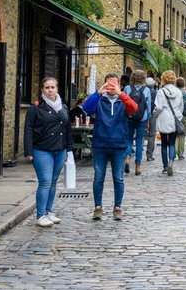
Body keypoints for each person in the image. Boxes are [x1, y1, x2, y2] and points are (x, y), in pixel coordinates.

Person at [83, 73, 137, 221]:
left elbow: (134, 109)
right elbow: (87, 109)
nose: (111, 88)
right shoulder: (99, 100)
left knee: (118, 178)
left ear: (119, 84)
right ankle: (98, 207)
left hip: (118, 145)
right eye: (108, 84)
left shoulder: (123, 101)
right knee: (98, 178)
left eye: (114, 84)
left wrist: (122, 94)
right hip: (100, 144)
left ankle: (117, 207)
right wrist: (98, 93)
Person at [24, 77, 73, 227]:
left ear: (57, 88)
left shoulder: (63, 106)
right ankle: (40, 215)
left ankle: (48, 212)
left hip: (60, 149)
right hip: (42, 150)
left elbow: (67, 129)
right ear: (42, 90)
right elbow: (28, 130)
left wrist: (68, 149)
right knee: (45, 182)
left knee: (53, 182)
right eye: (47, 87)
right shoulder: (36, 107)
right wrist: (28, 151)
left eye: (53, 87)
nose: (50, 90)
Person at [153, 70, 183, 176]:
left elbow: (158, 107)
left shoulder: (161, 92)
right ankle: (171, 161)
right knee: (172, 143)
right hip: (174, 119)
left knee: (164, 144)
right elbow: (181, 107)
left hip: (164, 118)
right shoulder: (178, 92)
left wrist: (154, 115)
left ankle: (165, 166)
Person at [124, 70, 152, 176]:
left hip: (129, 117)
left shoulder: (127, 88)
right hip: (142, 118)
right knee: (139, 141)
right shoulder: (146, 90)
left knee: (128, 139)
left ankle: (127, 158)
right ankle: (137, 166)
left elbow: (124, 104)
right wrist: (148, 120)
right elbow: (148, 107)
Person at [176, 77, 186, 160]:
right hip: (184, 116)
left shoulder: (174, 92)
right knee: (182, 135)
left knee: (175, 135)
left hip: (176, 116)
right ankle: (180, 154)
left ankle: (174, 151)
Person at [145, 77, 158, 161]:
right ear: (153, 84)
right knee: (152, 135)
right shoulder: (155, 93)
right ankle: (149, 155)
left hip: (143, 114)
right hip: (152, 114)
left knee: (141, 135)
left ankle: (138, 153)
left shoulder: (143, 91)